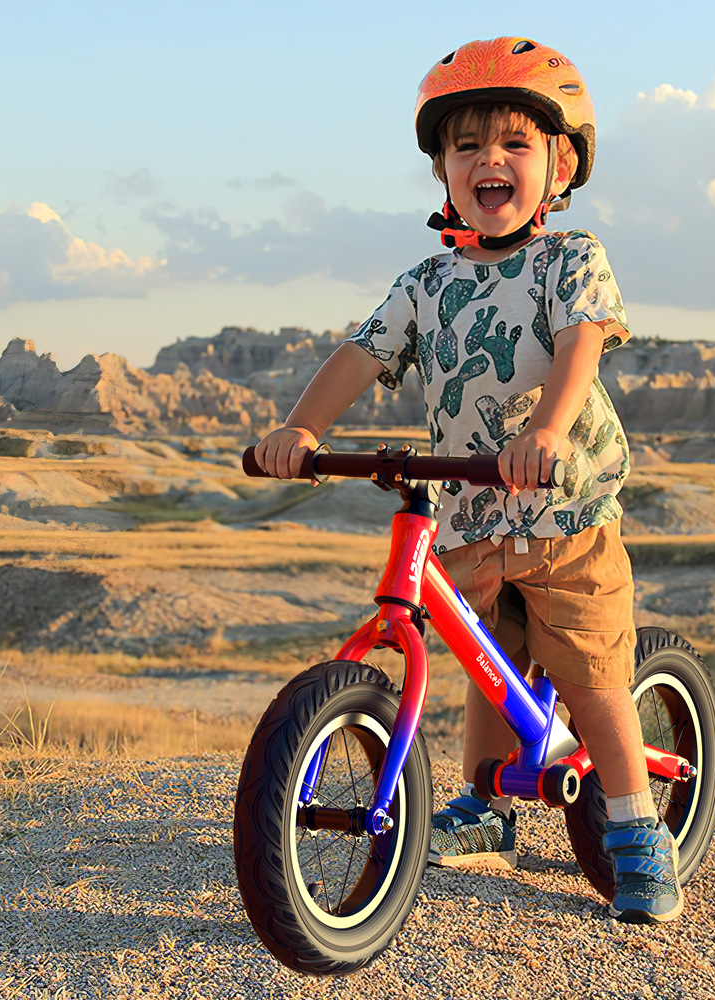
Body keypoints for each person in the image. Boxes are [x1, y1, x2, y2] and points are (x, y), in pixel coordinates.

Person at [253, 37, 683, 924]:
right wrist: (303, 427)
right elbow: (359, 354)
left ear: (559, 165)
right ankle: (486, 805)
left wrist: (549, 432)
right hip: (472, 510)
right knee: (488, 664)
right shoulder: (427, 283)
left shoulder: (570, 260)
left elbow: (579, 348)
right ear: (443, 171)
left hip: (565, 511)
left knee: (593, 669)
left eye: (514, 144)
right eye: (467, 147)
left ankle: (639, 830)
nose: (489, 160)